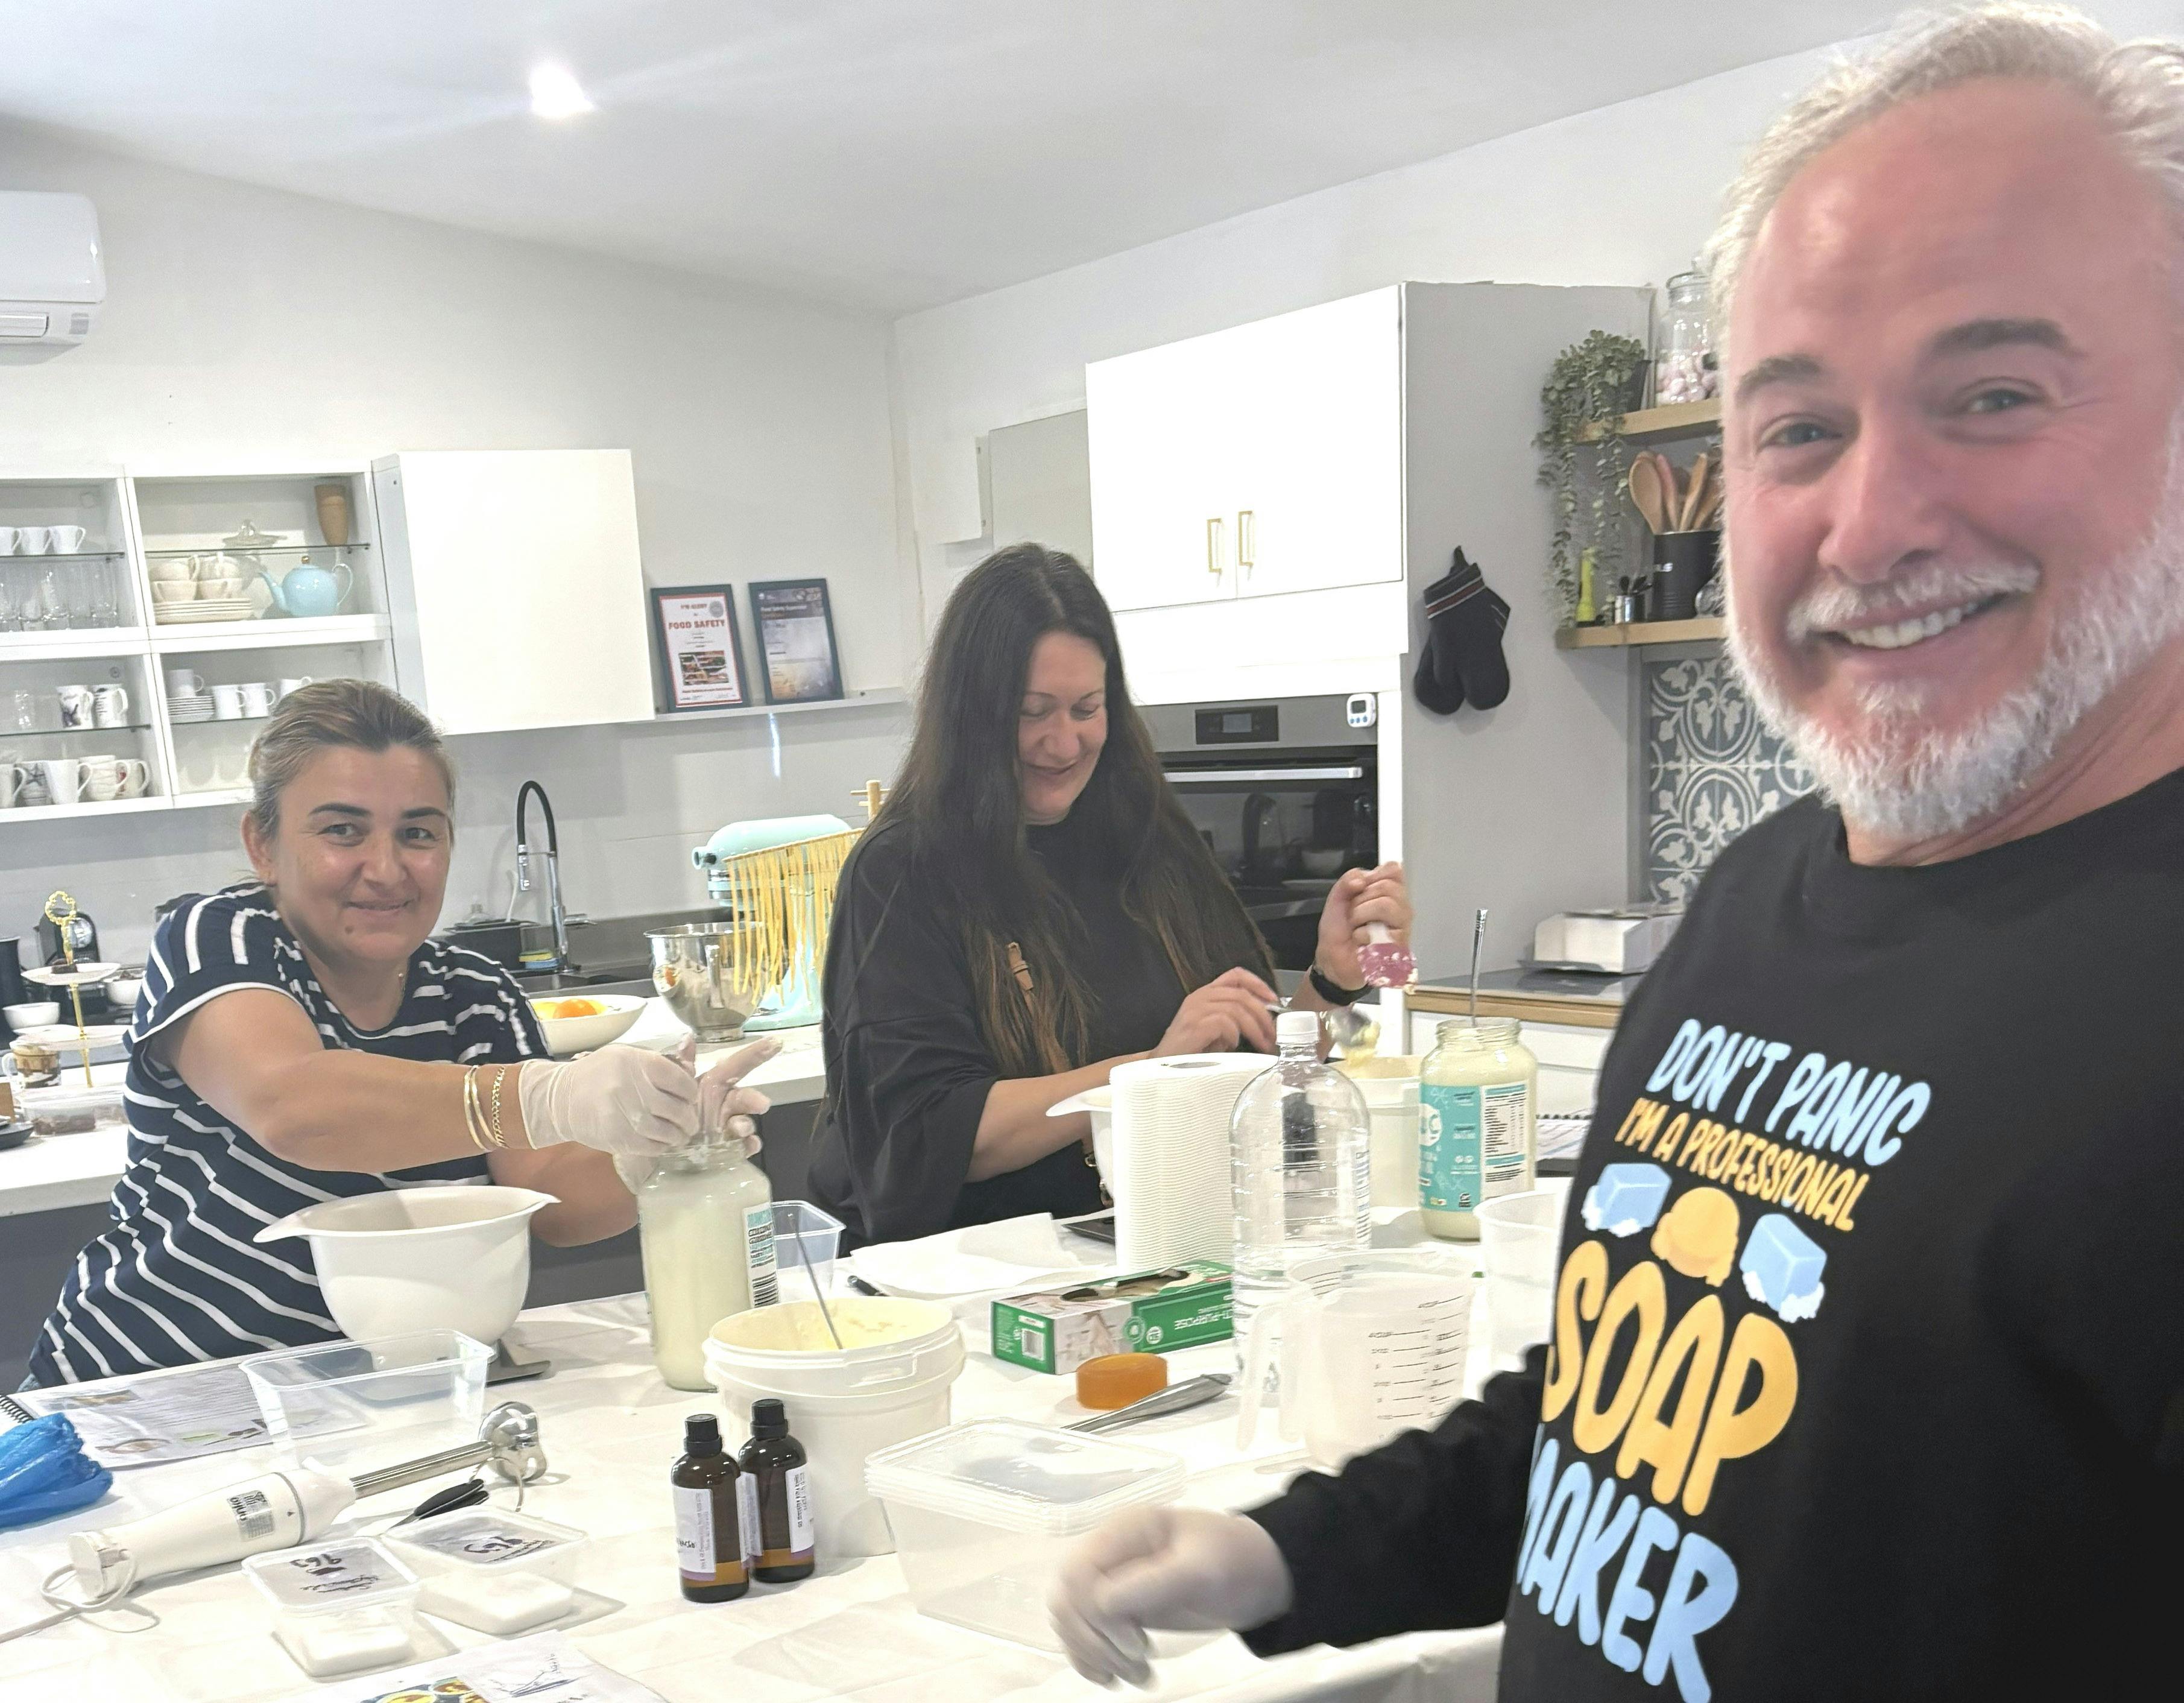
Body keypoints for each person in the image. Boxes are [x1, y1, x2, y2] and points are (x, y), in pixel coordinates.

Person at [1050, 7, 2184, 1699]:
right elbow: (1622, 1416)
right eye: (1794, 427)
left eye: (1994, 393)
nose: (1866, 524)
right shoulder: (1758, 902)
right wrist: (1290, 1550)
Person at [26, 679, 769, 1385]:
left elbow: (553, 1199)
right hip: (148, 1385)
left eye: (417, 833)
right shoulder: (218, 938)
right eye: (342, 830)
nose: (385, 869)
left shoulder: (472, 993)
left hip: (380, 1387)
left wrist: (655, 1149)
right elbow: (297, 1106)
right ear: (263, 844)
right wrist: (553, 1093)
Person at [807, 545, 1410, 1245]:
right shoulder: (903, 872)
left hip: (1152, 1250)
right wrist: (1149, 1075)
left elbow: (1255, 1069)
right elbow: (928, 1135)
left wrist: (1331, 984)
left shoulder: (1150, 840)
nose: (1063, 742)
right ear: (971, 714)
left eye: (1086, 708)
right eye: (1032, 712)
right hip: (974, 1278)